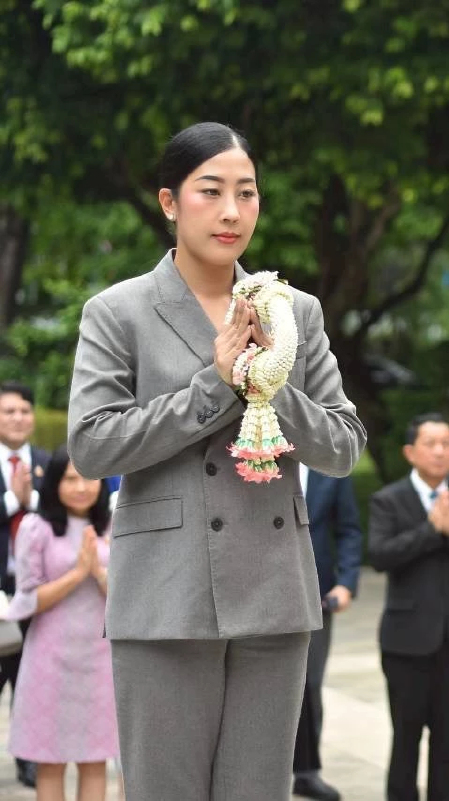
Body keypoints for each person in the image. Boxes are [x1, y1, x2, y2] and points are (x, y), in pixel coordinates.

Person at [66, 121, 366, 801]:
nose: (232, 212)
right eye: (211, 192)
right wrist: (217, 384)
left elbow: (345, 446)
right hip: (166, 595)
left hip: (275, 592)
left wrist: (270, 381)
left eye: (247, 193)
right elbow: (94, 443)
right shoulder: (119, 312)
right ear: (170, 202)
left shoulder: (294, 312)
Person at [369, 413, 449, 801]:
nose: (440, 451)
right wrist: (429, 530)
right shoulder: (389, 500)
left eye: (447, 444)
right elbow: (381, 556)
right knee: (406, 735)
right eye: (430, 443)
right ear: (410, 452)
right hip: (406, 641)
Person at [5, 446, 116, 801]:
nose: (81, 486)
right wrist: (78, 573)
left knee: (95, 760)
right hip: (48, 661)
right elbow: (27, 600)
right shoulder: (35, 528)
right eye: (70, 478)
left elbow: (126, 596)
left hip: (99, 661)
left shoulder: (114, 526)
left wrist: (97, 573)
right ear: (54, 482)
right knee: (49, 762)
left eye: (88, 477)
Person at [293, 466, 364, 801]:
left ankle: (307, 772)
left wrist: (347, 582)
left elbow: (348, 529)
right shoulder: (257, 449)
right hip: (263, 589)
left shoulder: (329, 467)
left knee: (310, 685)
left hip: (318, 593)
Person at [0, 380, 49, 788]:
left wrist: (32, 501)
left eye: (24, 411)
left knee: (32, 680)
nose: (18, 418)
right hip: (0, 588)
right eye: (9, 411)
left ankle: (29, 759)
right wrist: (13, 501)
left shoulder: (49, 463)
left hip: (39, 594)